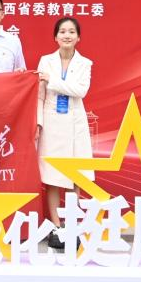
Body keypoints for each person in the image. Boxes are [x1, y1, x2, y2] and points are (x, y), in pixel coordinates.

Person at [36, 17, 93, 250]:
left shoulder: (85, 63)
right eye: (62, 31)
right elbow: (40, 94)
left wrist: (52, 81)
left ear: (78, 37)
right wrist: (38, 123)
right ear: (55, 37)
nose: (66, 35)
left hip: (75, 125)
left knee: (74, 176)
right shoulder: (46, 60)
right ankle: (56, 226)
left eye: (71, 32)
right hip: (51, 123)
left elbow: (80, 90)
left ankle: (71, 225)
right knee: (52, 177)